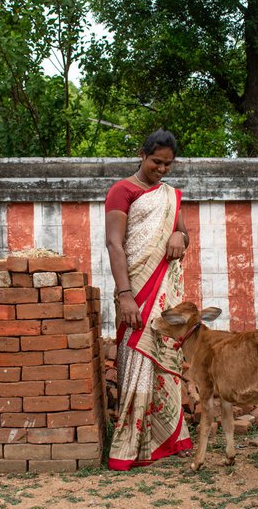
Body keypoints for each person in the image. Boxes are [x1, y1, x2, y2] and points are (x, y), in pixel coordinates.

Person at [104, 128, 192, 470]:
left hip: (164, 298)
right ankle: (133, 444)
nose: (162, 169)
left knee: (165, 363)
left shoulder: (169, 196)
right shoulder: (121, 191)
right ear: (142, 155)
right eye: (157, 161)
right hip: (135, 293)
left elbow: (185, 236)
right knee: (136, 363)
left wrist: (177, 235)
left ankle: (170, 437)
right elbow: (115, 244)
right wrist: (126, 296)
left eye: (168, 164)